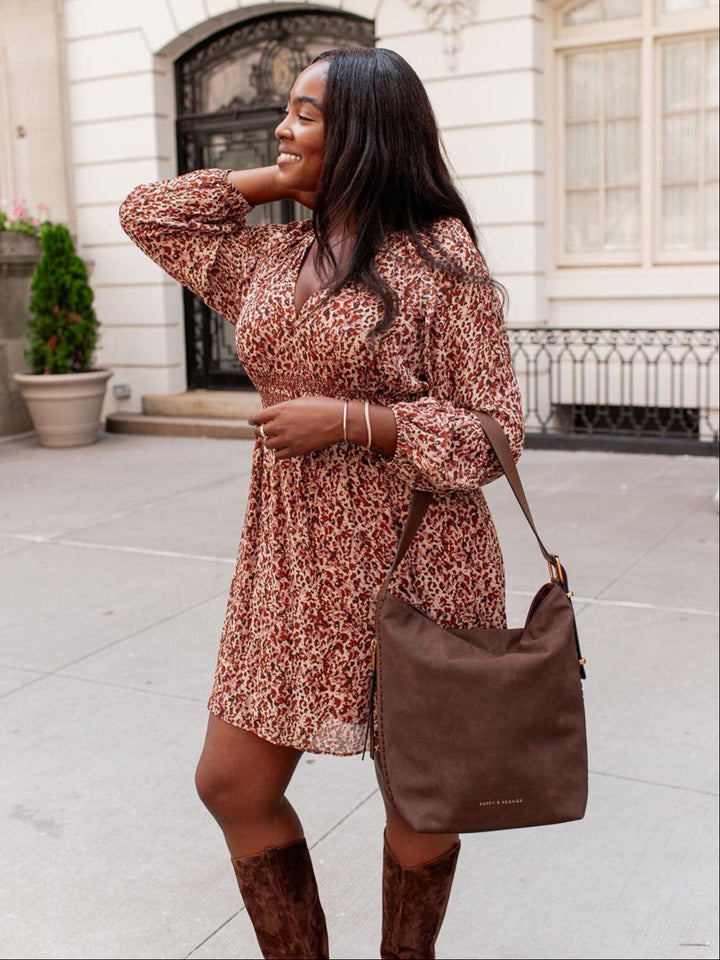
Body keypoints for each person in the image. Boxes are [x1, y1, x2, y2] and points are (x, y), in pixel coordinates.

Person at [120, 46, 524, 960]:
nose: (283, 125)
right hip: (292, 563)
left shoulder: (441, 260)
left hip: (418, 563)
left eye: (305, 114)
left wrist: (355, 421)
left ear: (370, 134)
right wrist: (281, 178)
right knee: (233, 784)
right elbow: (149, 213)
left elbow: (495, 435)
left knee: (423, 806)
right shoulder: (276, 251)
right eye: (288, 112)